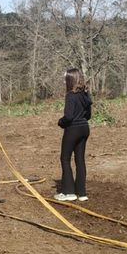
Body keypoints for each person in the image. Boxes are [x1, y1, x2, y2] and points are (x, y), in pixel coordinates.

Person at [56, 68, 91, 202]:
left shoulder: (70, 95)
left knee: (65, 159)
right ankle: (81, 193)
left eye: (66, 79)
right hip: (84, 128)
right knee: (80, 160)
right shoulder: (85, 94)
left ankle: (69, 192)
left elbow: (69, 117)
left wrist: (61, 122)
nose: (64, 81)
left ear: (70, 80)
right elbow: (88, 115)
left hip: (73, 129)